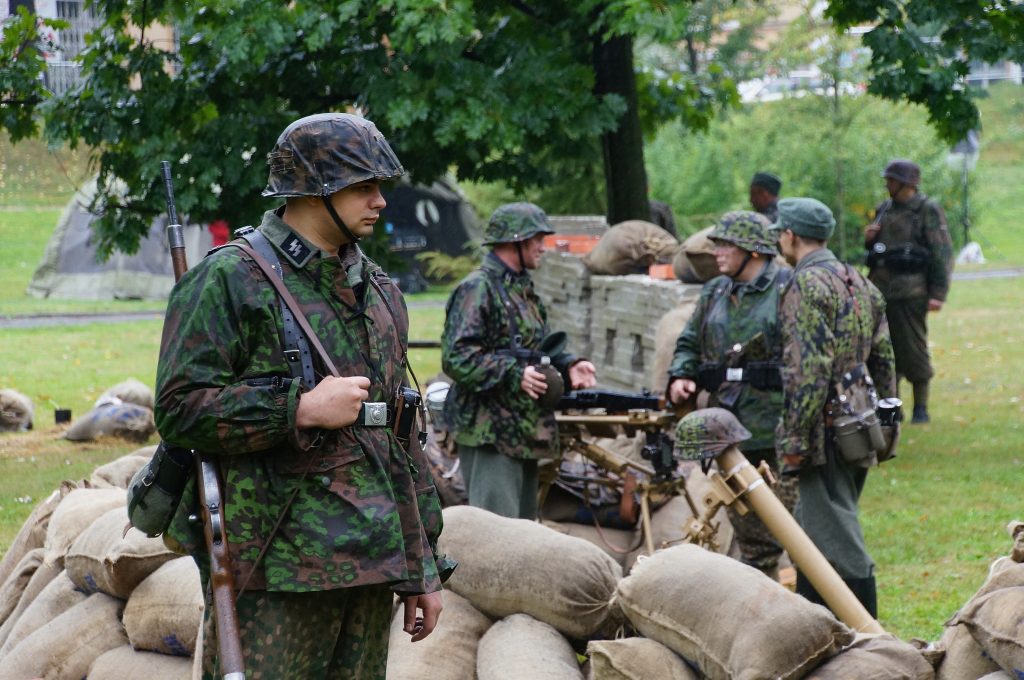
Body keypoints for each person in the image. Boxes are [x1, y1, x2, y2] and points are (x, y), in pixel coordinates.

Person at [154, 113, 454, 679]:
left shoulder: (380, 291)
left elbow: (400, 437)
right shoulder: (232, 280)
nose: (380, 201)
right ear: (315, 189)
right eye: (364, 186)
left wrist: (424, 564)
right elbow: (179, 408)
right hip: (275, 571)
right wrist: (299, 409)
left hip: (372, 561)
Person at [771, 197, 896, 618]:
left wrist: (793, 438)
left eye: (780, 233)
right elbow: (885, 360)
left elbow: (808, 370)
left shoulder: (805, 285)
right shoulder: (859, 282)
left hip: (824, 431)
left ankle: (866, 633)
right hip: (860, 425)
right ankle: (820, 628)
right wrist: (888, 425)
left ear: (790, 235)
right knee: (815, 533)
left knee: (836, 540)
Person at [441, 202, 597, 520]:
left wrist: (569, 365)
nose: (543, 247)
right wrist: (515, 374)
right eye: (537, 239)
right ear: (515, 241)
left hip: (523, 431)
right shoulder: (478, 288)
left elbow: (537, 347)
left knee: (523, 533)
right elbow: (457, 357)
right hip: (489, 434)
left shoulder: (521, 289)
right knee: (496, 532)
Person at [666, 210, 796, 579]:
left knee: (793, 528)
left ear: (753, 251)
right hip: (728, 430)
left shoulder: (787, 289)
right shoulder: (715, 292)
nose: (717, 252)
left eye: (726, 245)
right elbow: (689, 342)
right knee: (751, 537)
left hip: (776, 429)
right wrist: (682, 375)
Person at [864, 159, 953, 424]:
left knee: (913, 349)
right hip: (881, 291)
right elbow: (875, 252)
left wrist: (938, 293)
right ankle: (892, 408)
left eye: (891, 180)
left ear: (906, 184)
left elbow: (941, 252)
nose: (887, 185)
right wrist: (869, 239)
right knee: (883, 353)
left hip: (911, 291)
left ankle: (920, 408)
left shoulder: (926, 210)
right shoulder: (884, 209)